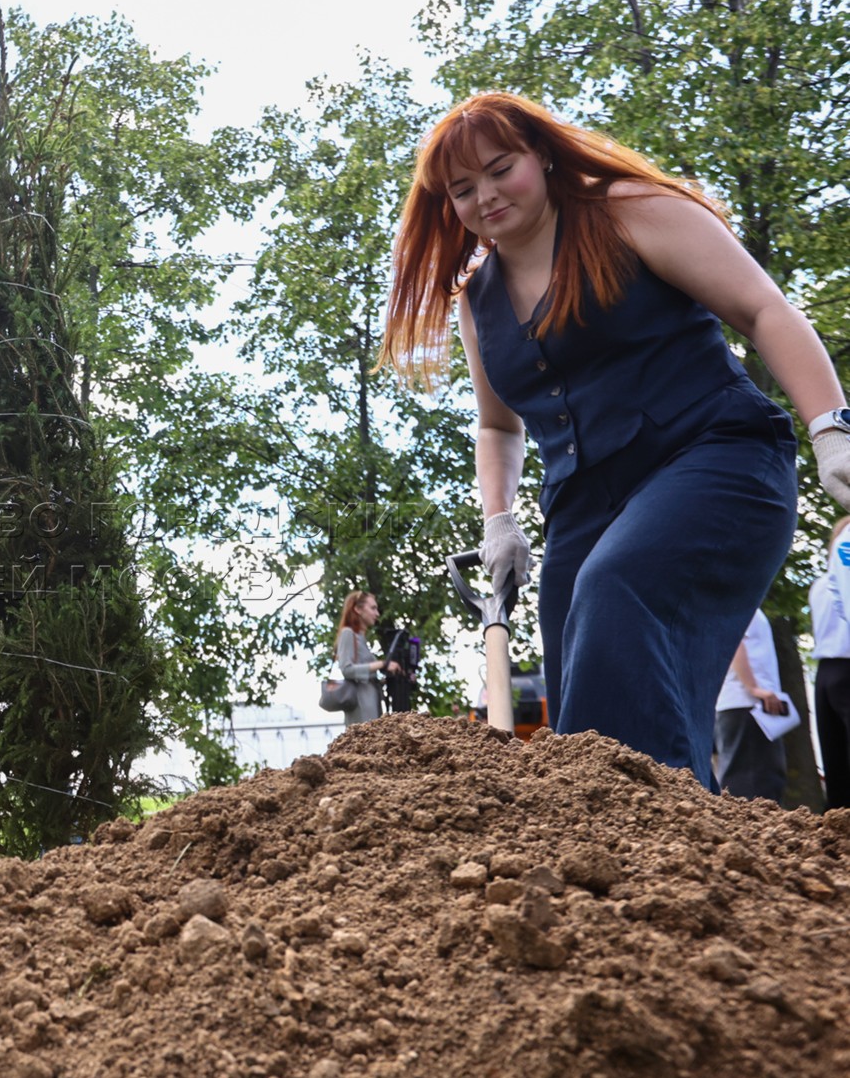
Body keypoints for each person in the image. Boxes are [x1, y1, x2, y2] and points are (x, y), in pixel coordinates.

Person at [379, 91, 850, 788]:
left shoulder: (630, 213)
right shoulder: (478, 300)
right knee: (585, 709)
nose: (486, 197)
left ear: (539, 155)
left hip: (716, 461)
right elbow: (497, 424)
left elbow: (763, 308)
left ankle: (665, 851)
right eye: (463, 190)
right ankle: (630, 862)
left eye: (500, 169)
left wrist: (831, 428)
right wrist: (500, 520)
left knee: (616, 588)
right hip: (584, 509)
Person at [713, 608, 791, 803]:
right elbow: (734, 641)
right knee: (754, 781)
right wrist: (754, 688)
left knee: (755, 776)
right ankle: (750, 831)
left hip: (745, 704)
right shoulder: (741, 601)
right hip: (746, 704)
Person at [809, 514, 850, 809]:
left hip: (826, 670)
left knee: (833, 752)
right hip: (847, 665)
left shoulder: (819, 585)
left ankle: (838, 822)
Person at [334, 591, 400, 726]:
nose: (377, 614)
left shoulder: (361, 639)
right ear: (357, 609)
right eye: (373, 608)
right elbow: (347, 669)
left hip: (371, 702)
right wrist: (382, 664)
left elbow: (365, 675)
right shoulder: (348, 633)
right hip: (360, 705)